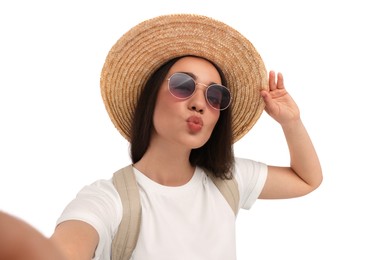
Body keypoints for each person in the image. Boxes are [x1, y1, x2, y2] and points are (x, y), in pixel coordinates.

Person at [1, 14, 322, 260]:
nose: (199, 103)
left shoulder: (229, 179)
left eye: (215, 95)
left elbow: (307, 179)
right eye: (183, 85)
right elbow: (61, 251)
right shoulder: (108, 200)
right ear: (150, 96)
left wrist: (291, 123)